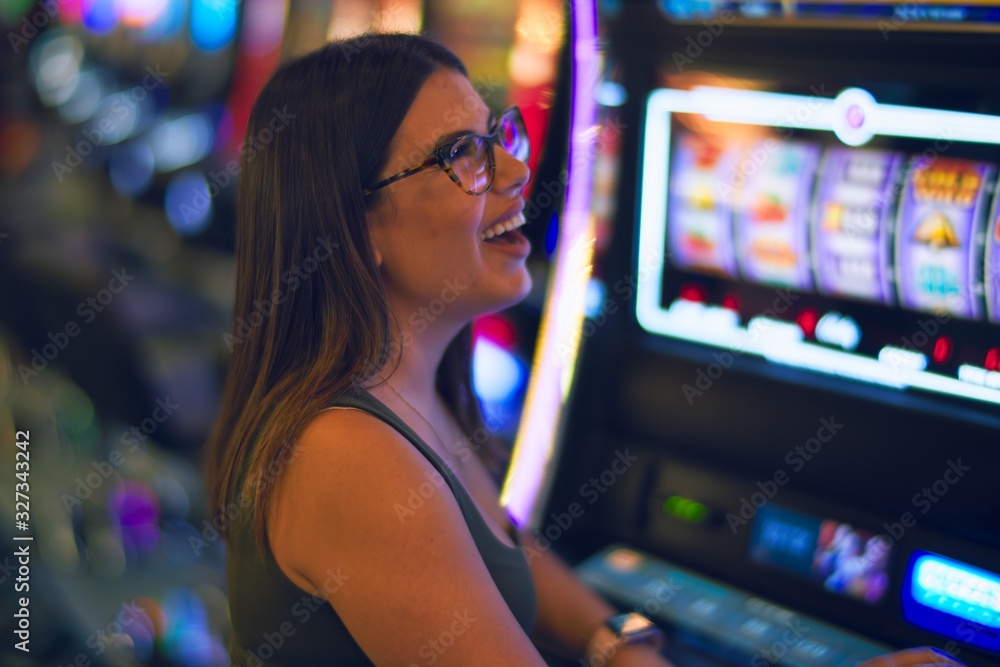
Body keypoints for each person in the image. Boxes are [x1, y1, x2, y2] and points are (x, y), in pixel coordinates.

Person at [203, 33, 968, 667]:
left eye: (500, 134)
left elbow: (503, 544)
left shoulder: (406, 391)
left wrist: (615, 640)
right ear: (357, 225)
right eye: (463, 154)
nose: (516, 169)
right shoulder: (347, 454)